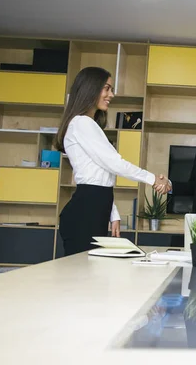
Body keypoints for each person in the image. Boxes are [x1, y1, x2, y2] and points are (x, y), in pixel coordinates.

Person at [55, 67, 170, 256]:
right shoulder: (82, 123)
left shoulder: (88, 124)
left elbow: (103, 176)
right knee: (81, 277)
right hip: (86, 210)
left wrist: (113, 213)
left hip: (95, 207)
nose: (111, 94)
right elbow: (113, 163)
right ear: (90, 88)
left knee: (91, 274)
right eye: (106, 88)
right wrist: (152, 179)